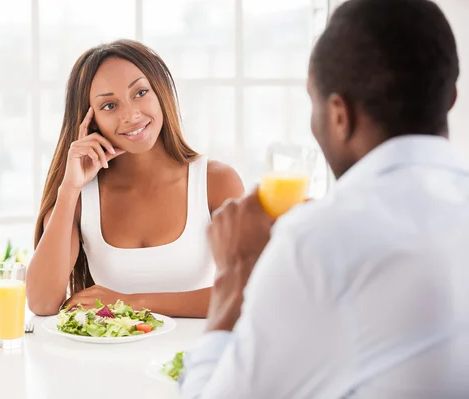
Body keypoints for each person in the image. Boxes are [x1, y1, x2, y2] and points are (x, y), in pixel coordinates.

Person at [181, 0, 469, 397]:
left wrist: (234, 272)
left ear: (339, 115)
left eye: (312, 102)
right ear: (451, 97)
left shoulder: (316, 240)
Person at [26, 39, 244, 317]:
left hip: (192, 358)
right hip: (109, 360)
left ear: (160, 92)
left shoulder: (215, 182)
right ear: (90, 121)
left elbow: (246, 293)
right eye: (108, 106)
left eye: (140, 92)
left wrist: (131, 302)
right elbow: (41, 303)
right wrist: (69, 189)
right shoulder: (81, 198)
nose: (131, 115)